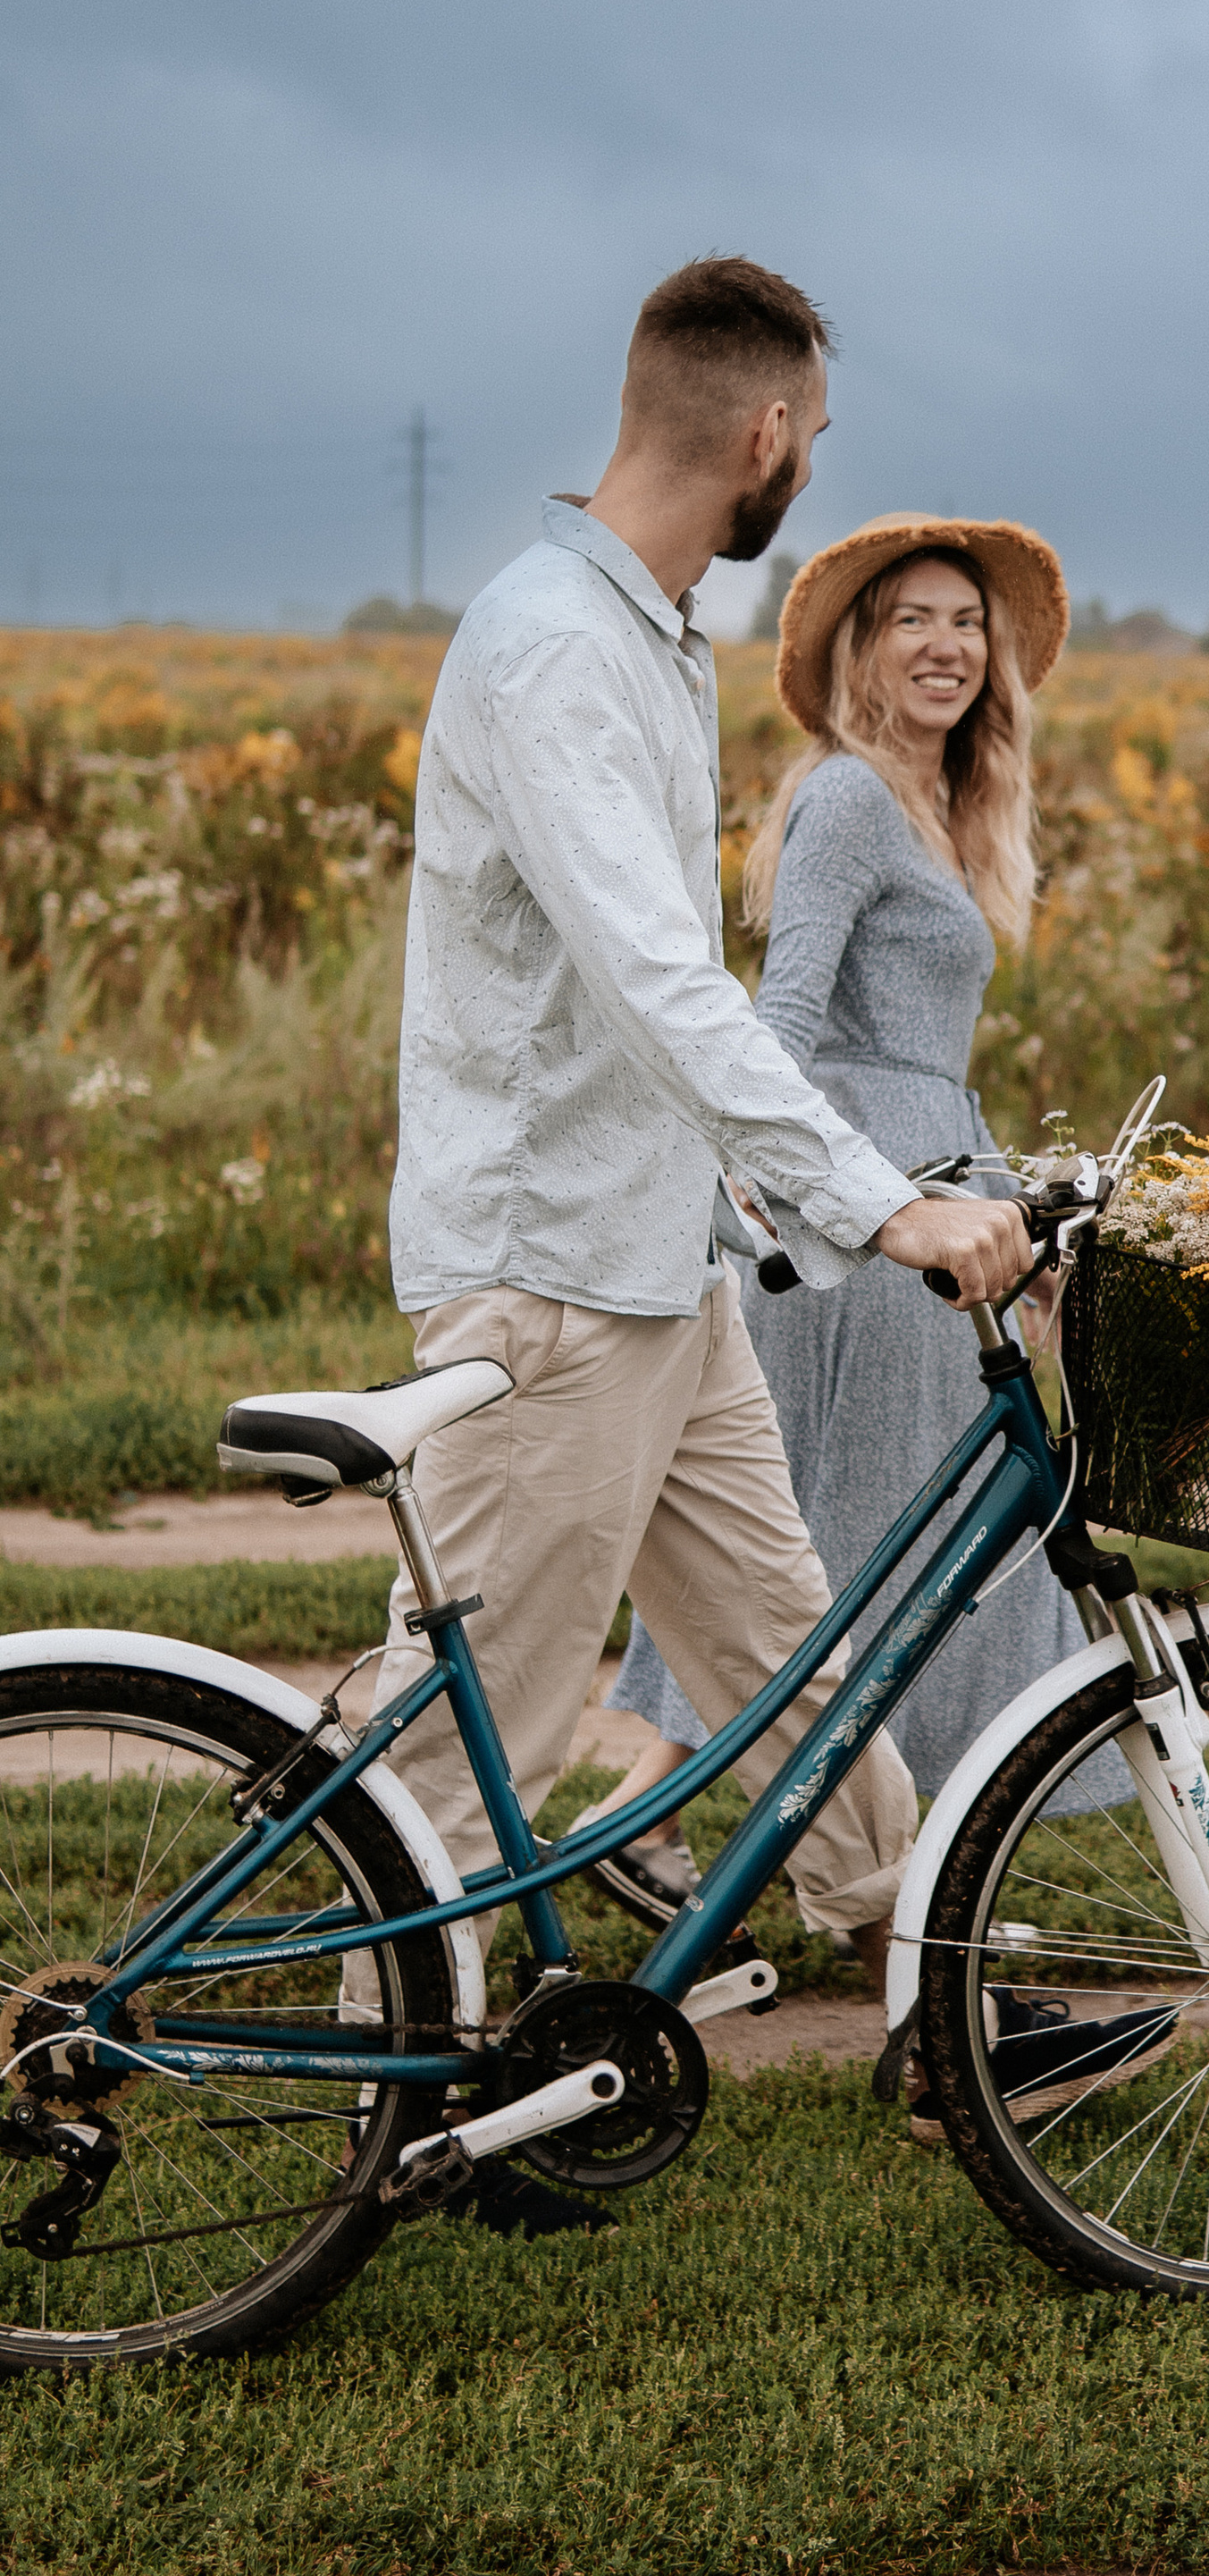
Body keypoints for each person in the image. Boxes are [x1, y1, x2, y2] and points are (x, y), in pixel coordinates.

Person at [364, 261, 1034, 2086]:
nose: (803, 465)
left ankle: (937, 2011)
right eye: (809, 441)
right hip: (552, 1278)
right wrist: (876, 1197)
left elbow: (676, 1000)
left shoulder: (652, 635)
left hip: (658, 1262)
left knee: (789, 1659)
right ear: (763, 434)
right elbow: (668, 987)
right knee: (465, 1724)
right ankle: (388, 2098)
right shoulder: (555, 648)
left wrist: (763, 1199)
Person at [590, 512, 1112, 1898]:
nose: (947, 647)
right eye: (912, 622)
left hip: (936, 1189)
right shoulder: (845, 801)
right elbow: (778, 1028)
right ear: (861, 652)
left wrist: (1005, 1205)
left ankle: (703, 1824)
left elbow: (927, 1061)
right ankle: (726, 1831)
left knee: (873, 1535)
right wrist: (824, 1204)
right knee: (852, 1538)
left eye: (966, 623)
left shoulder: (944, 807)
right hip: (870, 1225)